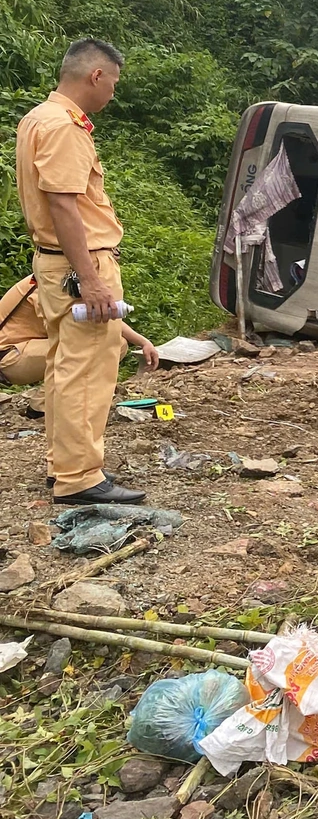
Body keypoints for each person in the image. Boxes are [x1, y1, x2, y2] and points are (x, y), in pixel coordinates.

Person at [14, 38, 146, 505]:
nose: (113, 92)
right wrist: (90, 278)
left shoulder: (37, 118)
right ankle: (80, 478)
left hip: (53, 264)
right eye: (114, 83)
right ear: (96, 76)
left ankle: (65, 466)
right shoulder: (65, 127)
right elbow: (64, 205)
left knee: (64, 367)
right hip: (78, 265)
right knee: (87, 369)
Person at [0, 274, 160, 386]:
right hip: (9, 355)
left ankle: (62, 400)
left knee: (116, 342)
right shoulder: (48, 282)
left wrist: (143, 342)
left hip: (29, 348)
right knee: (89, 345)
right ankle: (46, 404)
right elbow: (68, 326)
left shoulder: (68, 279)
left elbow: (106, 319)